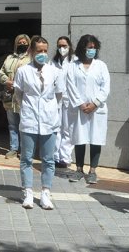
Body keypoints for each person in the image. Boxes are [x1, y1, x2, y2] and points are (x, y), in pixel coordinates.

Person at [15, 36, 64, 210]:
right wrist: (28, 109)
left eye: (45, 51)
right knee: (26, 158)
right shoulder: (23, 71)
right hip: (29, 119)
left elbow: (59, 95)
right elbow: (19, 94)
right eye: (39, 51)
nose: (42, 54)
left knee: (48, 159)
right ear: (31, 52)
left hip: (49, 120)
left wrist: (50, 110)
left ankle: (45, 193)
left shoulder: (54, 71)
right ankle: (28, 192)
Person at [64, 34, 110, 184]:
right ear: (82, 48)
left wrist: (95, 103)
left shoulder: (101, 66)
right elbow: (70, 86)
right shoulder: (73, 66)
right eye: (89, 47)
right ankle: (78, 169)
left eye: (94, 48)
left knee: (95, 138)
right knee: (80, 138)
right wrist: (81, 104)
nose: (92, 50)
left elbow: (105, 87)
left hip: (97, 109)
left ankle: (92, 171)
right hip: (80, 109)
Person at [0, 35, 31, 159]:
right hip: (10, 97)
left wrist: (18, 84)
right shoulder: (9, 57)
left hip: (24, 97)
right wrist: (7, 81)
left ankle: (24, 150)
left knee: (25, 125)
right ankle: (13, 148)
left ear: (28, 44)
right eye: (19, 42)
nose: (22, 44)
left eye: (24, 42)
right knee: (12, 125)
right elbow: (2, 72)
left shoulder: (31, 58)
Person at [52, 36, 74, 169]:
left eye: (64, 46)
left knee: (67, 129)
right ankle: (55, 156)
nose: (62, 48)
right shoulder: (53, 62)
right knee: (56, 128)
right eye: (59, 46)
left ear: (70, 46)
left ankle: (65, 158)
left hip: (70, 100)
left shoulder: (74, 61)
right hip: (56, 100)